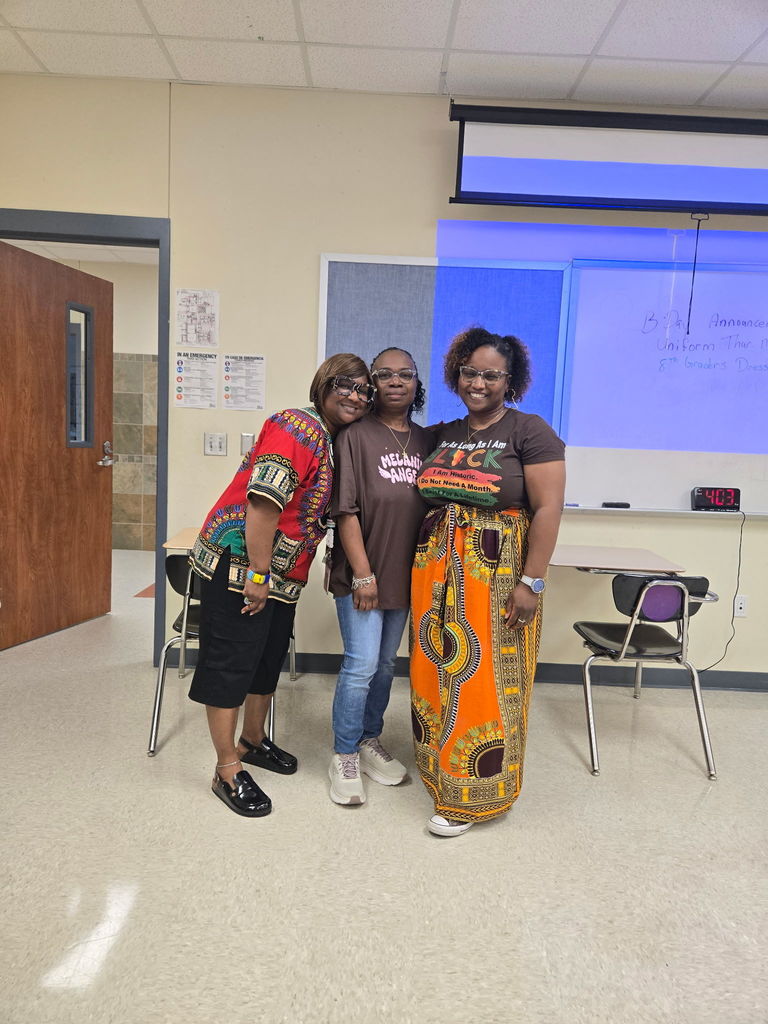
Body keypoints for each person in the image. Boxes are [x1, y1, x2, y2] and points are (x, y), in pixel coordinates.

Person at [188, 353, 374, 817]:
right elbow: (263, 505)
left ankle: (252, 741)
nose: (355, 396)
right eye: (345, 384)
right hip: (243, 566)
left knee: (265, 659)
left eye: (363, 390)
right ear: (323, 384)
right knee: (230, 665)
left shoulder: (331, 439)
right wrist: (256, 573)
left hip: (281, 575)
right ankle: (226, 768)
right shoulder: (296, 428)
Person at [411, 326, 565, 837]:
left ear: (510, 380)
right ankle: (439, 773)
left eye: (491, 375)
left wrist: (532, 582)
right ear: (456, 373)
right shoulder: (443, 434)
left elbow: (548, 509)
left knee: (487, 684)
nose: (478, 383)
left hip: (496, 574)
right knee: (436, 673)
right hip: (436, 572)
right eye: (470, 372)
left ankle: (476, 796)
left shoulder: (530, 430)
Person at [327, 348, 434, 805]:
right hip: (363, 574)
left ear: (416, 384)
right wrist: (362, 575)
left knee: (387, 665)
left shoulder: (428, 441)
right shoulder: (355, 435)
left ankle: (370, 738)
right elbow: (345, 510)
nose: (395, 381)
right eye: (385, 374)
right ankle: (344, 753)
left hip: (406, 575)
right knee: (361, 665)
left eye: (405, 374)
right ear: (372, 383)